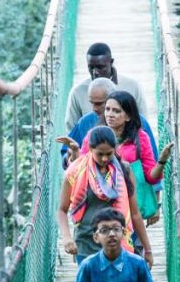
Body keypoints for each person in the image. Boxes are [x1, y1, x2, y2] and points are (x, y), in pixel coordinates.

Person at [57, 126, 153, 282]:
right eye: (99, 154)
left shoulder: (123, 169)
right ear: (90, 150)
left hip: (119, 242)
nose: (104, 159)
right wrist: (67, 238)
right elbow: (62, 208)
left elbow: (134, 212)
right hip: (87, 242)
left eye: (109, 154)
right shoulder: (75, 171)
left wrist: (148, 249)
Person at [62, 91, 173, 231]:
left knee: (132, 247)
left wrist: (162, 162)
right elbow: (81, 170)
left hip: (131, 208)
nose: (110, 114)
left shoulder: (140, 138)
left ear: (128, 116)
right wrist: (75, 154)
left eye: (116, 111)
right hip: (98, 204)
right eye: (107, 109)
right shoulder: (93, 135)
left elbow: (151, 177)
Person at [64, 42, 147, 131]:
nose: (95, 72)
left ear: (111, 62)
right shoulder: (78, 92)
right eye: (91, 67)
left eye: (100, 67)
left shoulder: (132, 87)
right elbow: (72, 129)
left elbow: (142, 123)